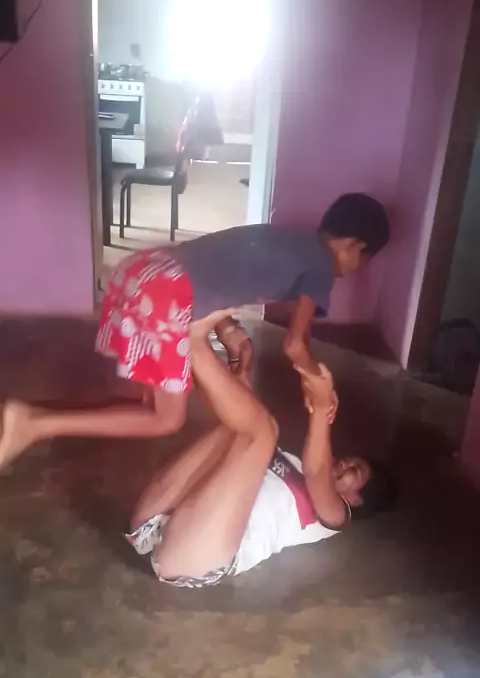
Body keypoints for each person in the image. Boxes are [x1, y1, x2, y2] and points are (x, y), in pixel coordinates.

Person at [0, 193, 389, 469]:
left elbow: (217, 271)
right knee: (166, 419)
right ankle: (34, 424)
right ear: (356, 246)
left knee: (153, 401)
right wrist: (321, 386)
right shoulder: (321, 264)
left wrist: (228, 327)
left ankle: (44, 421)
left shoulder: (289, 237)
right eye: (364, 260)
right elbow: (294, 344)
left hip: (146, 270)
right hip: (168, 293)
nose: (355, 268)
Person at [127, 314, 394, 587]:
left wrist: (322, 407)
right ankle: (196, 341)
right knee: (241, 423)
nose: (346, 464)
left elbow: (317, 471)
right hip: (152, 523)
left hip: (193, 557)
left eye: (355, 471)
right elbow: (237, 412)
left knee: (264, 428)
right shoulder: (287, 460)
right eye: (351, 460)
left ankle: (192, 339)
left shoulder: (336, 517)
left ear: (356, 500)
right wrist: (240, 361)